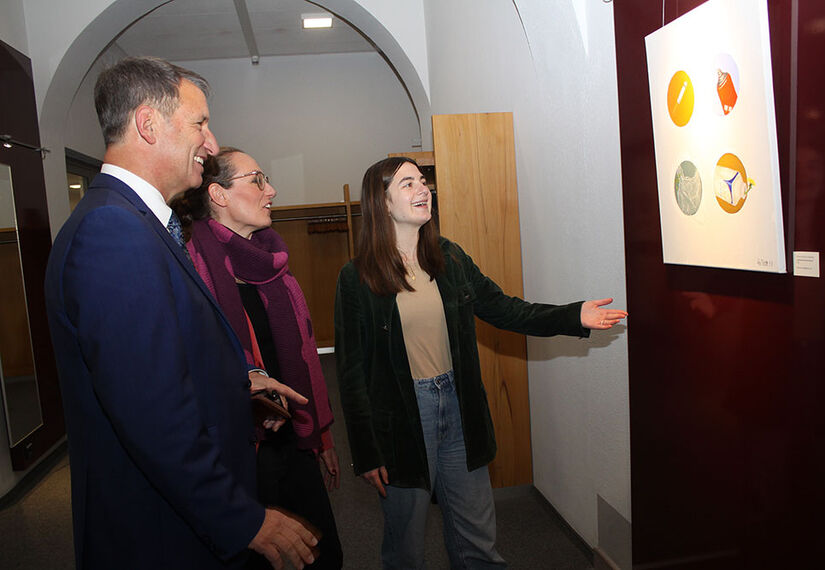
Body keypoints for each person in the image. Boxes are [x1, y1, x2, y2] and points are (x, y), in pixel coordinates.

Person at [44, 56, 318, 570]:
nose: (211, 143)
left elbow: (158, 358)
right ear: (148, 125)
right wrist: (243, 518)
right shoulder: (114, 233)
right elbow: (152, 414)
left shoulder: (134, 222)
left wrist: (238, 384)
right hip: (158, 533)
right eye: (200, 124)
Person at [334, 156, 628, 568]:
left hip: (458, 406)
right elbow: (351, 372)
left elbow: (505, 309)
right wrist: (367, 451)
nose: (423, 189)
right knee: (406, 548)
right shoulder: (357, 277)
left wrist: (572, 315)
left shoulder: (448, 258)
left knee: (478, 540)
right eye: (407, 184)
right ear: (380, 203)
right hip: (401, 420)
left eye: (423, 181)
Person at [171, 147, 343, 568]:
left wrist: (319, 433)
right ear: (219, 194)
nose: (272, 191)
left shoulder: (274, 265)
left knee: (323, 556)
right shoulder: (191, 269)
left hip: (292, 437)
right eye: (258, 180)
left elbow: (301, 357)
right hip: (240, 451)